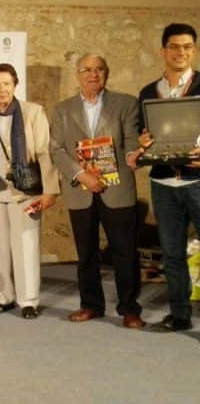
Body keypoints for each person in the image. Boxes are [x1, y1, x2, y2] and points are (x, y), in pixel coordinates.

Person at [49, 53, 144, 328]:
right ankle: (91, 305)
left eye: (99, 69)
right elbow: (56, 149)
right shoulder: (62, 109)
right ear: (77, 75)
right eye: (87, 70)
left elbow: (131, 142)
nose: (93, 74)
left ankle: (129, 309)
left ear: (107, 73)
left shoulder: (126, 103)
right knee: (86, 253)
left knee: (125, 252)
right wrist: (81, 174)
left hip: (117, 187)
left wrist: (135, 155)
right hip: (80, 189)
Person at [129, 23, 200, 332]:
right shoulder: (148, 92)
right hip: (162, 184)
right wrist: (143, 141)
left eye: (187, 46)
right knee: (172, 254)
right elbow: (141, 133)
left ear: (194, 50)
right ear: (163, 51)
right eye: (174, 46)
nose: (180, 52)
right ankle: (180, 315)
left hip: (198, 181)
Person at [0, 63, 60, 319]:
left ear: (15, 85)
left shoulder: (33, 112)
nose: (2, 89)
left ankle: (28, 301)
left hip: (26, 190)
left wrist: (51, 190)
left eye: (6, 83)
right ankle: (3, 297)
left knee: (26, 243)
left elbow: (45, 151)